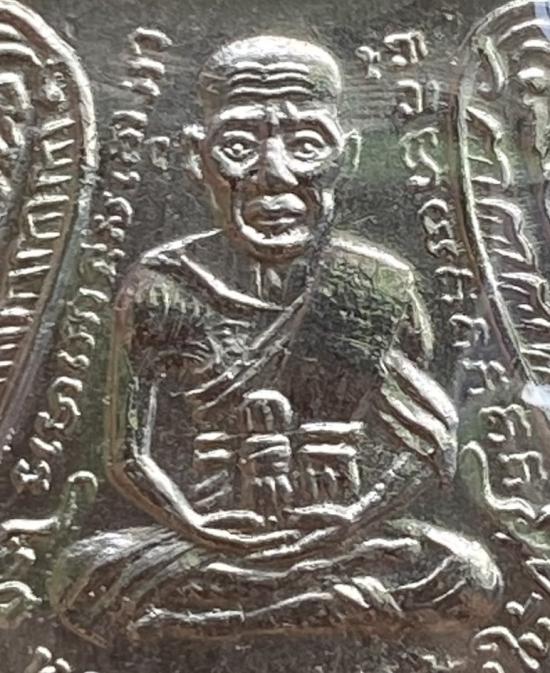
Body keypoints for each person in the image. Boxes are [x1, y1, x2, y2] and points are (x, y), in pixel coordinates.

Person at [49, 35, 502, 647]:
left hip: (340, 531)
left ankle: (231, 623)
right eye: (238, 147)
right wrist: (199, 526)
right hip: (212, 534)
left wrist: (352, 518)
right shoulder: (162, 284)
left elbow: (430, 441)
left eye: (306, 145)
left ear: (348, 154)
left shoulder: (374, 281)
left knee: (468, 575)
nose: (274, 175)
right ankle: (315, 609)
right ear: (197, 158)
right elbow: (128, 456)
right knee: (83, 576)